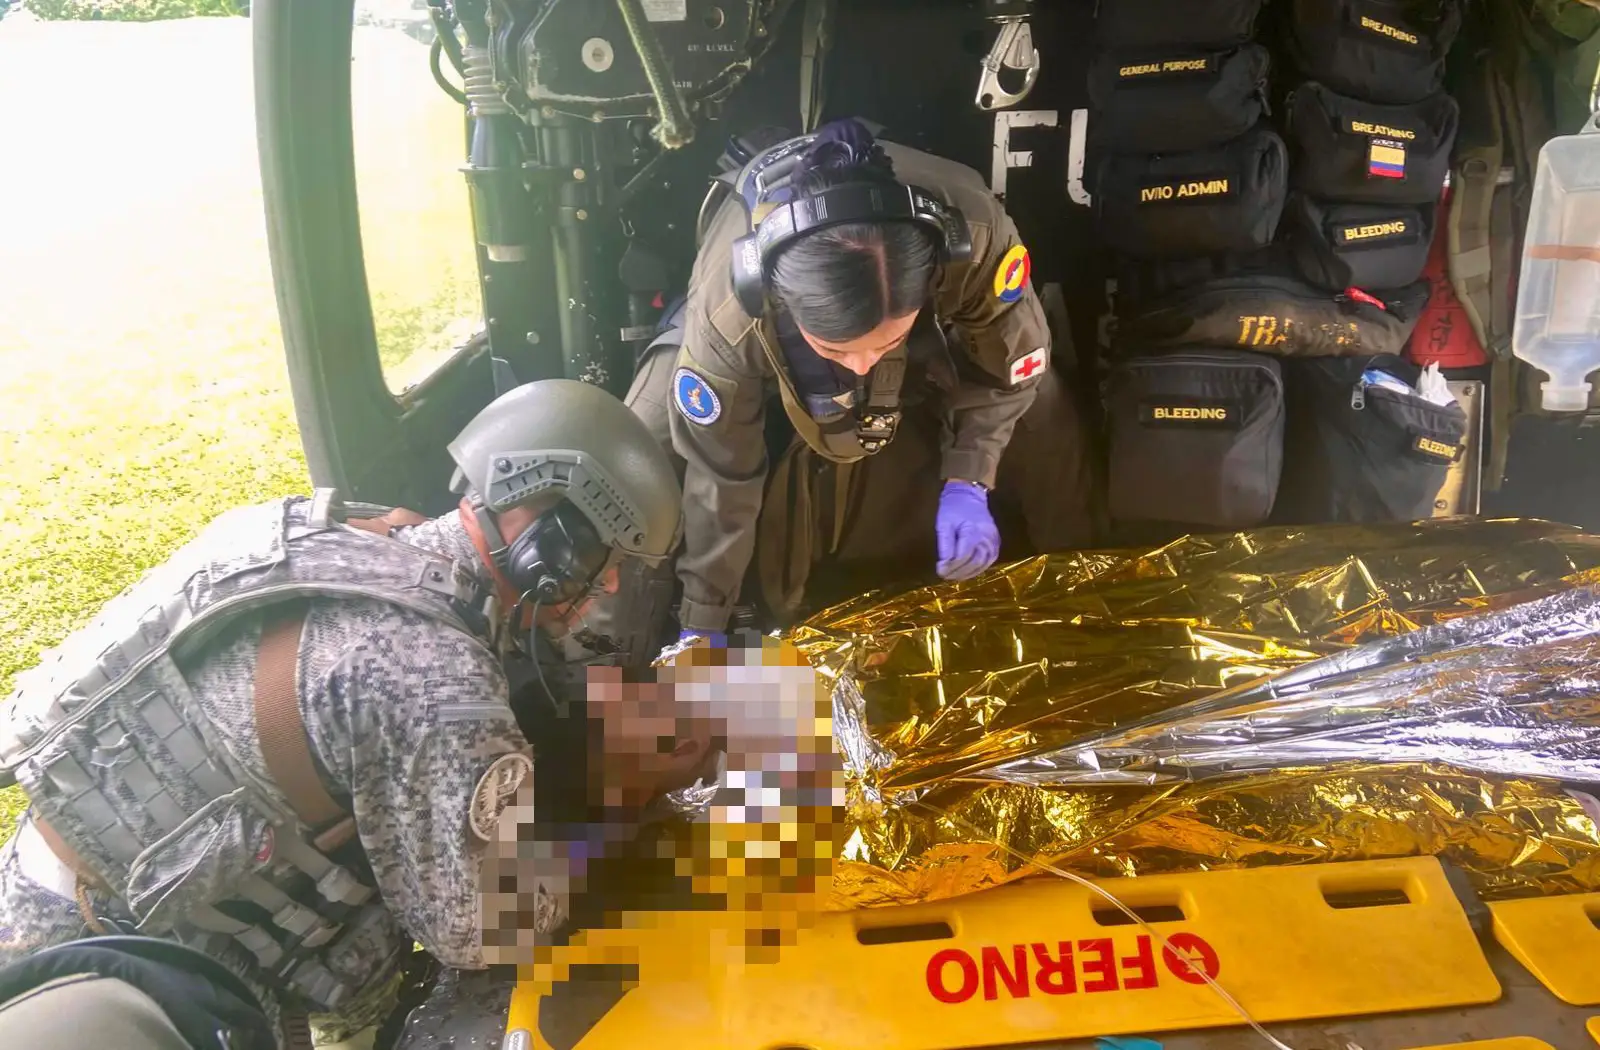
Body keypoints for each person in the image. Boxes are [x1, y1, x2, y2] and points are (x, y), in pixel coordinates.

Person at [0, 379, 714, 1050]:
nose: (614, 581)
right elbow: (482, 931)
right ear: (543, 541)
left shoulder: (368, 538)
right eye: (606, 553)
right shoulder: (433, 677)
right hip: (118, 958)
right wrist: (611, 820)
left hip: (65, 866)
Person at [625, 118, 1096, 643]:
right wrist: (703, 618)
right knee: (645, 442)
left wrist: (970, 478)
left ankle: (1088, 597)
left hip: (938, 334)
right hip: (752, 328)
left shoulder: (977, 237)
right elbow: (721, 473)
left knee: (1043, 400)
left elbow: (1012, 369)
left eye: (886, 342)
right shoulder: (729, 317)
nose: (863, 366)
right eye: (837, 350)